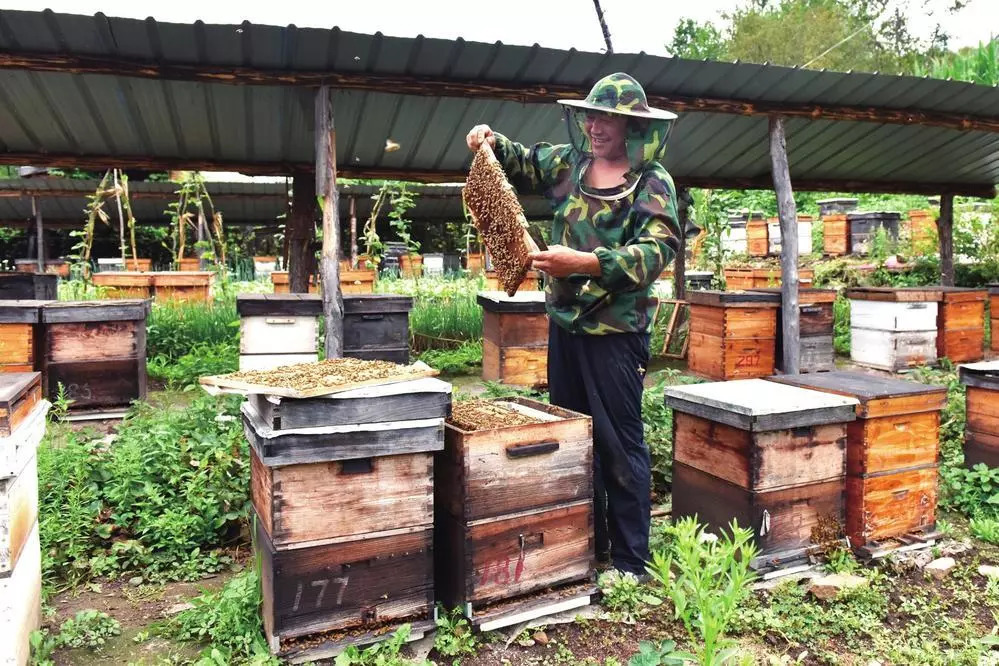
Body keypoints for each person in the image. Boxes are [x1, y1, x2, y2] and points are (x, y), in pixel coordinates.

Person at [465, 72, 692, 577]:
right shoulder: (571, 163)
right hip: (566, 326)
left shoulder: (651, 181)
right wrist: (490, 141)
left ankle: (632, 561)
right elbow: (522, 161)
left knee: (619, 444)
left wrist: (585, 263)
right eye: (590, 117)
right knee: (573, 439)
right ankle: (590, 547)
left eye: (607, 118)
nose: (595, 126)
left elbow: (655, 252)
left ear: (632, 126)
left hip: (615, 335)